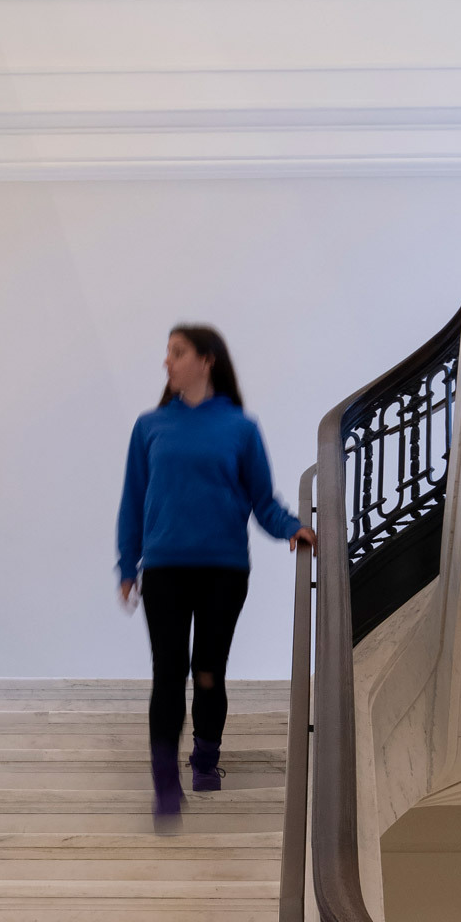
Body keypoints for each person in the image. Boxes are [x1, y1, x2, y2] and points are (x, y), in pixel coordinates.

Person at [116, 323, 312, 826]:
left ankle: (205, 760)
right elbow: (133, 501)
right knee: (167, 673)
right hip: (164, 567)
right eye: (167, 353)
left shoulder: (241, 428)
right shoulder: (150, 427)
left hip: (224, 569)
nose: (167, 362)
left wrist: (292, 528)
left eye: (177, 353)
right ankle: (165, 784)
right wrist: (127, 563)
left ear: (207, 360)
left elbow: (262, 499)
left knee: (207, 671)